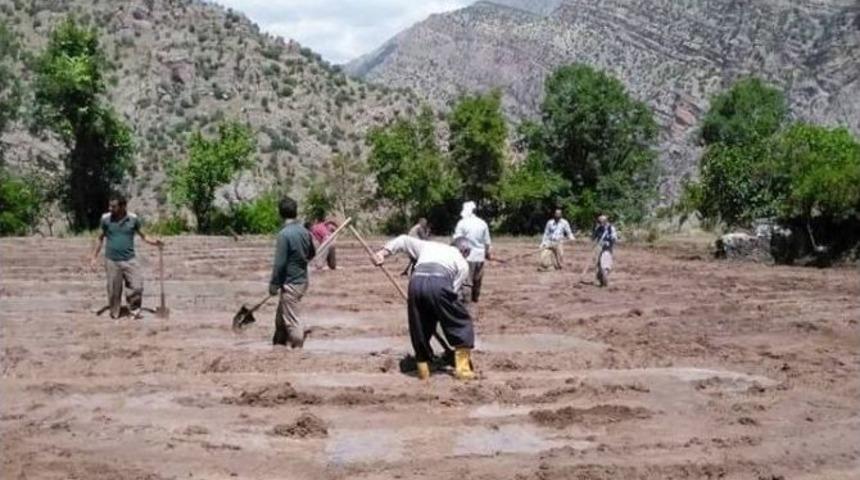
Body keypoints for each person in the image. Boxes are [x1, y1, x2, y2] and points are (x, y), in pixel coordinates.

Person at [373, 235, 476, 380]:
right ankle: (464, 371)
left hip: (416, 282)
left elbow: (403, 240)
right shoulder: (462, 264)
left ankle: (424, 371)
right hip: (440, 283)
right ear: (464, 251)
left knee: (420, 327)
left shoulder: (429, 246)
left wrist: (381, 253)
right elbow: (451, 293)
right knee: (461, 323)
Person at [90, 195, 163, 319]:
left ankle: (134, 311)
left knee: (137, 285)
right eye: (109, 206)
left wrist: (155, 242)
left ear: (123, 206)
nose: (110, 208)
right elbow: (100, 238)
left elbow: (143, 236)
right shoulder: (105, 219)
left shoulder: (133, 219)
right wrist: (93, 257)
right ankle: (115, 313)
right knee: (113, 290)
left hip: (130, 259)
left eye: (113, 206)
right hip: (112, 260)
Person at [269, 197, 316, 347]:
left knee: (292, 321)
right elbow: (312, 254)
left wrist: (274, 284)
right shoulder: (305, 231)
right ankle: (279, 343)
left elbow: (280, 263)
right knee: (281, 317)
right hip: (302, 281)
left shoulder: (284, 234)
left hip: (291, 283)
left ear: (280, 214)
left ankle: (298, 346)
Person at [452, 201, 491, 303]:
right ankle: (475, 299)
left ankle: (466, 300)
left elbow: (457, 240)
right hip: (480, 256)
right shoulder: (483, 223)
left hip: (467, 257)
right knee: (477, 279)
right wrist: (487, 254)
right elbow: (487, 242)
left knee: (467, 280)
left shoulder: (462, 223)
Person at [591, 214, 618, 287]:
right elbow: (593, 237)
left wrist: (608, 241)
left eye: (601, 222)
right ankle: (602, 280)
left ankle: (605, 280)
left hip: (607, 250)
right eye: (599, 222)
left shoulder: (611, 228)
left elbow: (614, 238)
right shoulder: (599, 228)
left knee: (605, 266)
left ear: (605, 221)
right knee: (599, 266)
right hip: (600, 249)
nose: (599, 223)